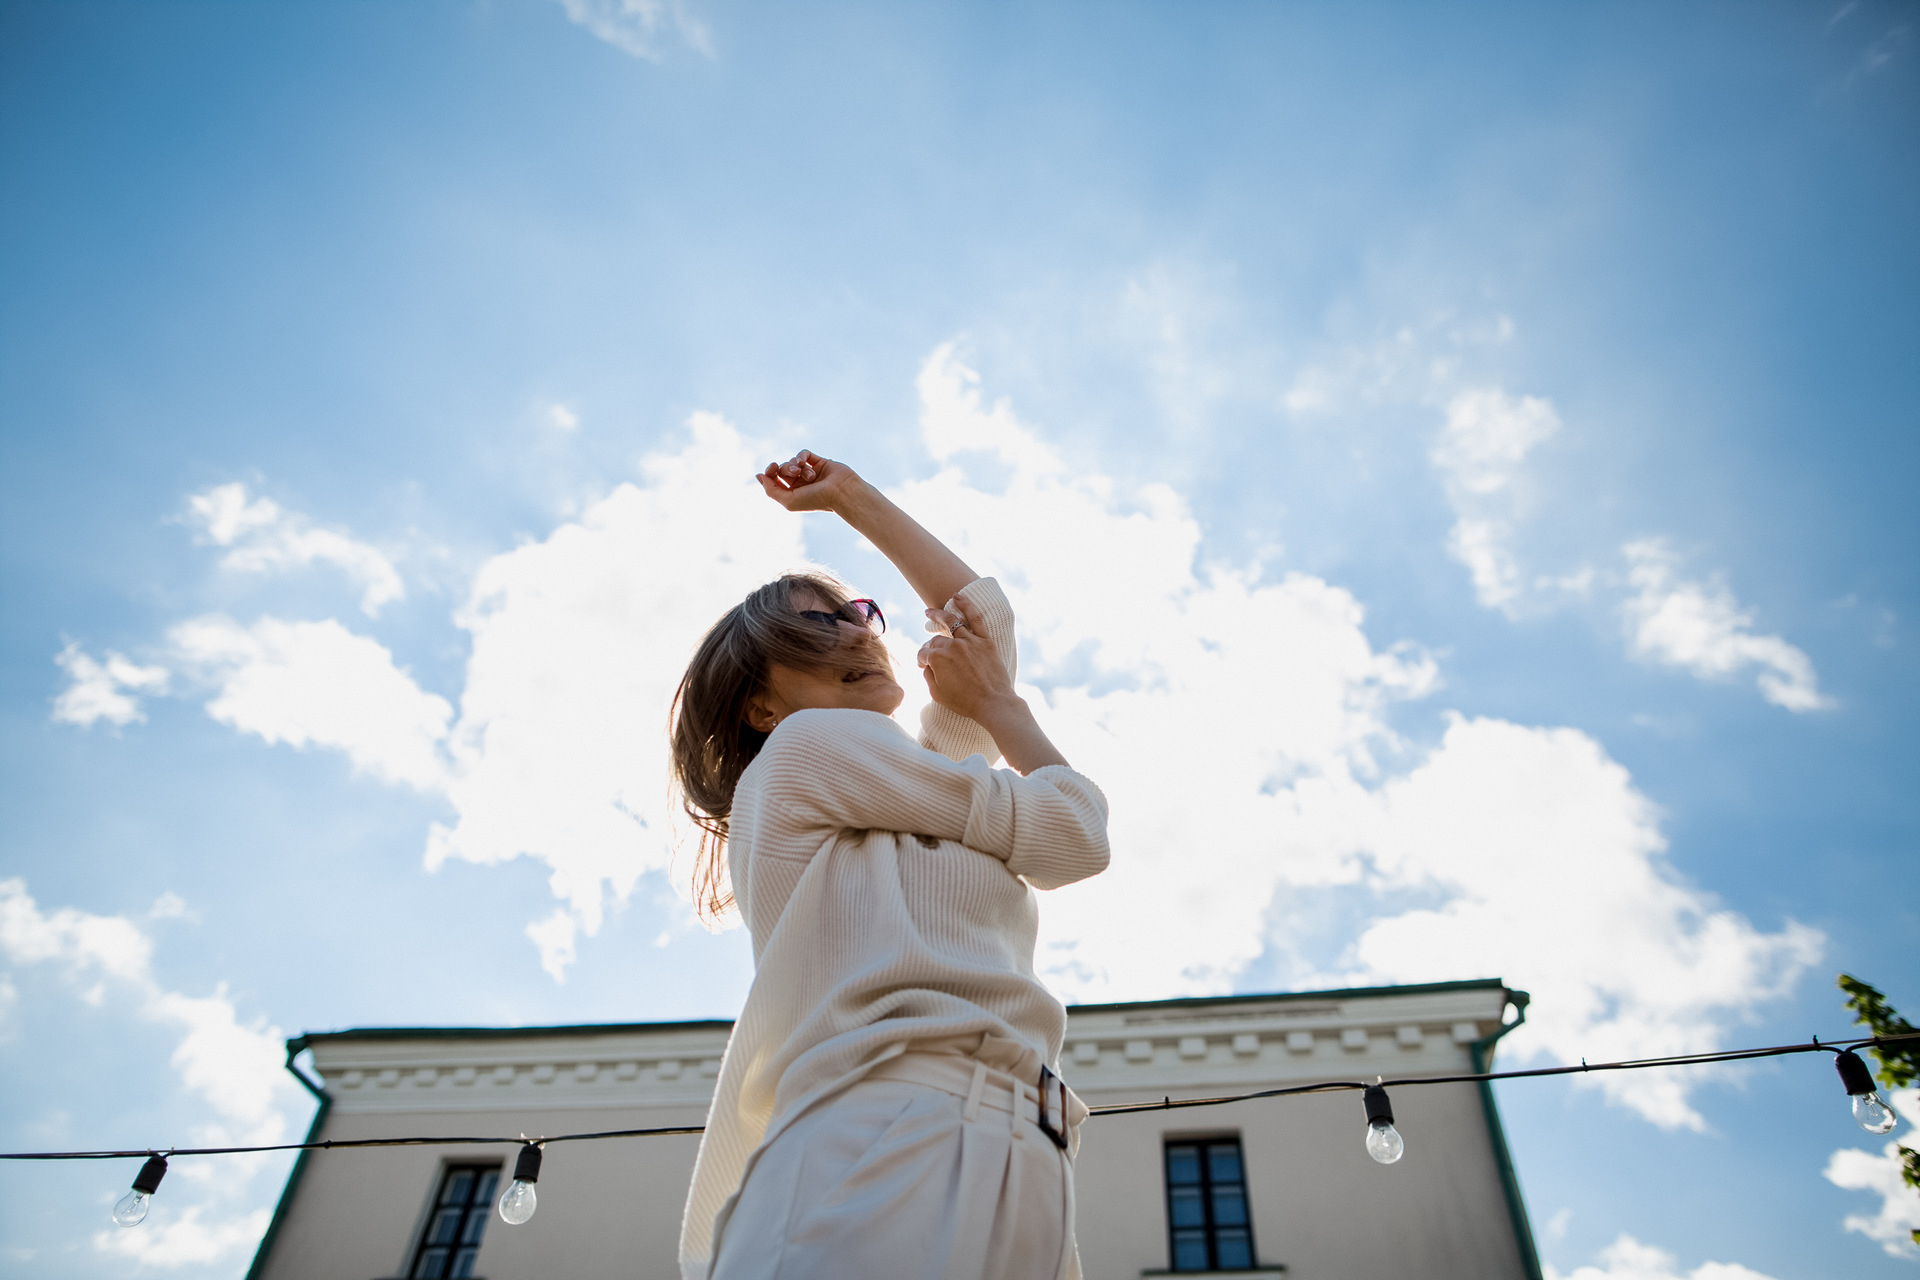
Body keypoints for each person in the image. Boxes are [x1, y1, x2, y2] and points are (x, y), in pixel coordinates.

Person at [671, 450, 1111, 1280]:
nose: (858, 633)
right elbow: (1074, 835)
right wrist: (1001, 710)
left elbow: (984, 624)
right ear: (761, 705)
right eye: (814, 625)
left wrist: (851, 499)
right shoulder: (809, 748)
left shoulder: (920, 778)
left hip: (1021, 1139)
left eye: (856, 614)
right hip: (883, 1123)